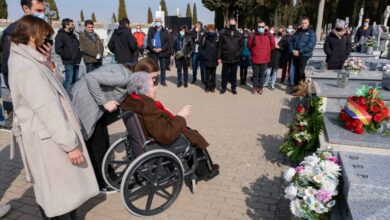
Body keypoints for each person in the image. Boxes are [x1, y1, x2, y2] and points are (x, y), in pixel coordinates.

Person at [8, 15, 99, 219]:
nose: (48, 42)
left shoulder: (29, 60)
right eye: (45, 37)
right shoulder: (27, 67)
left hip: (47, 137)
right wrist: (70, 145)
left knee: (58, 194)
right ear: (32, 37)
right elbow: (47, 109)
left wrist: (49, 62)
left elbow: (57, 86)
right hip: (49, 139)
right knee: (59, 196)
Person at [70, 58, 159, 192]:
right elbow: (90, 77)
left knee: (100, 142)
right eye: (152, 78)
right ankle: (102, 183)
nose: (154, 81)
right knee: (98, 144)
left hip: (94, 106)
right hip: (85, 103)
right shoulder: (124, 76)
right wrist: (104, 102)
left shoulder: (130, 77)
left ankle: (106, 178)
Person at [120, 72, 219, 180]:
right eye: (153, 85)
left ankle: (204, 167)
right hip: (155, 144)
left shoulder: (131, 101)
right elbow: (165, 135)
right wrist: (181, 116)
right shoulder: (148, 107)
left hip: (143, 140)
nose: (156, 87)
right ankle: (204, 172)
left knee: (190, 132)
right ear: (144, 90)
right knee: (193, 135)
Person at [1, 0, 46, 89]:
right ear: (26, 8)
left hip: (42, 81)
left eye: (44, 10)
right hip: (23, 86)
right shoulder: (13, 32)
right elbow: (6, 63)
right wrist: (13, 87)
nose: (43, 14)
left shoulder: (41, 29)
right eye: (39, 11)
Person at [55, 18, 82, 92]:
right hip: (68, 62)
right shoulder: (60, 35)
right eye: (71, 24)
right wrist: (68, 56)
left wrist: (79, 54)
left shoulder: (72, 35)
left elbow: (78, 45)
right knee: (68, 80)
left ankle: (73, 97)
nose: (73, 26)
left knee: (75, 80)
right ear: (66, 25)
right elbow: (58, 50)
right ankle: (65, 96)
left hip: (76, 61)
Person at [248, 21, 275, 95]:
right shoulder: (253, 35)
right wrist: (254, 52)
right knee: (255, 74)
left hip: (265, 59)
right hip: (255, 59)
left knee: (262, 75)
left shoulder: (269, 35)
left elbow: (272, 46)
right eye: (259, 27)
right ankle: (254, 87)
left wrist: (266, 52)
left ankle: (260, 88)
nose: (261, 28)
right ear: (257, 27)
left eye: (262, 27)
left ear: (265, 27)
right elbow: (249, 45)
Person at [217, 18, 243, 95]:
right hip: (225, 58)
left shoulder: (239, 34)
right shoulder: (223, 34)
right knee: (224, 74)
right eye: (231, 24)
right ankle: (223, 88)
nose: (232, 26)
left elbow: (242, 47)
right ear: (228, 24)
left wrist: (238, 54)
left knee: (233, 74)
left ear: (236, 25)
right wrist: (219, 57)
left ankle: (233, 88)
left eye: (233, 24)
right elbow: (219, 46)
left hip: (235, 59)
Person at [289, 16, 316, 87]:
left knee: (301, 72)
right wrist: (292, 50)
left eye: (305, 23)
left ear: (308, 23)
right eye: (302, 23)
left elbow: (310, 46)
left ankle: (302, 88)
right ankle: (297, 87)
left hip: (304, 55)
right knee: (296, 72)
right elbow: (291, 41)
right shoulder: (298, 31)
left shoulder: (311, 33)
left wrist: (299, 51)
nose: (303, 24)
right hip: (295, 54)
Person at [147, 18, 170, 86]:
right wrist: (152, 48)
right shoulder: (151, 30)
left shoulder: (165, 31)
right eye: (156, 22)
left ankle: (163, 81)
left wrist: (161, 49)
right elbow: (149, 40)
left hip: (162, 52)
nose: (157, 23)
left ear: (161, 22)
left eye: (159, 22)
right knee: (155, 67)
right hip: (153, 52)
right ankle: (155, 81)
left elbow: (167, 42)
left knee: (163, 67)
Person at [200, 24, 219, 92]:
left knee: (213, 75)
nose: (211, 31)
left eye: (212, 29)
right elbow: (200, 47)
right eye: (209, 29)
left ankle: (213, 87)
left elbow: (219, 47)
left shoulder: (217, 37)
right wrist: (204, 54)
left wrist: (218, 57)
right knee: (207, 74)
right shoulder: (204, 37)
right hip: (207, 58)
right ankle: (207, 87)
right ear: (207, 30)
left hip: (214, 59)